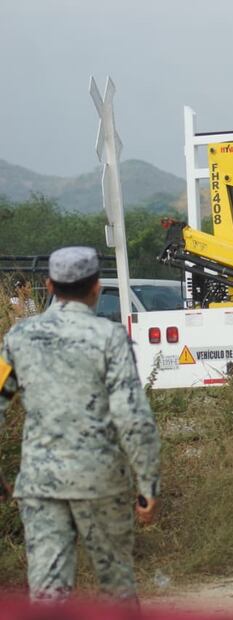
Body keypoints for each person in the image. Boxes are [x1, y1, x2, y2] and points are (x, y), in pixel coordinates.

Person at [0, 246, 160, 603]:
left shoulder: (17, 339)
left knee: (47, 590)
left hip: (40, 484)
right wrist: (147, 484)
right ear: (97, 288)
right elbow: (133, 416)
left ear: (49, 286)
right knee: (116, 585)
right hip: (100, 482)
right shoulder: (110, 338)